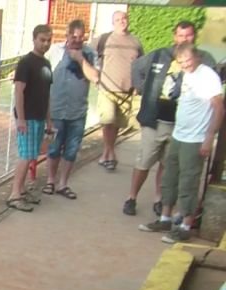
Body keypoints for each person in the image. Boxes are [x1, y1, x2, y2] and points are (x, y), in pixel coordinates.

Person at [123, 21, 216, 216]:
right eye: (181, 35)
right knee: (144, 161)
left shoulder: (204, 59)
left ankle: (160, 199)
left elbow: (213, 87)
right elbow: (136, 67)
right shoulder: (159, 54)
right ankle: (131, 197)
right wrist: (141, 87)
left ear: (195, 37)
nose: (184, 39)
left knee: (168, 165)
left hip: (181, 125)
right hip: (154, 120)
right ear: (175, 36)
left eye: (188, 35)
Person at [139, 43, 224, 243]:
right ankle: (165, 218)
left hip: (195, 139)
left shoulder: (208, 76)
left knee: (188, 182)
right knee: (169, 178)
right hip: (179, 135)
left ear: (197, 57)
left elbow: (219, 109)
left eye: (188, 60)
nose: (185, 64)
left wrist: (209, 137)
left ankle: (185, 225)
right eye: (181, 61)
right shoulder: (187, 74)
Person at [43, 19, 99, 201]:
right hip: (57, 109)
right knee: (54, 148)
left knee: (72, 149)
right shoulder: (55, 51)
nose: (77, 40)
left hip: (77, 111)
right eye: (74, 37)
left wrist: (80, 59)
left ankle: (63, 183)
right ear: (67, 35)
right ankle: (50, 181)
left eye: (81, 37)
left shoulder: (90, 53)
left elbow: (95, 77)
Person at [7, 24, 53, 213]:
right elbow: (19, 91)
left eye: (48, 40)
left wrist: (49, 120)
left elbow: (47, 94)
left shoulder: (46, 64)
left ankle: (22, 190)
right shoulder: (26, 63)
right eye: (42, 40)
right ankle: (14, 195)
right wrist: (21, 119)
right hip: (27, 117)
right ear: (34, 39)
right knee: (25, 156)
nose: (45, 44)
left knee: (31, 155)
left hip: (39, 117)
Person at [94, 11, 143, 171]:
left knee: (116, 124)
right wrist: (93, 75)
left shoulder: (135, 41)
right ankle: (111, 154)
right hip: (107, 88)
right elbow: (87, 53)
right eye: (118, 19)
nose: (121, 21)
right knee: (108, 120)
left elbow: (141, 65)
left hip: (126, 90)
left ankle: (106, 154)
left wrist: (138, 85)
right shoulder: (104, 39)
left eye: (124, 19)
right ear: (113, 22)